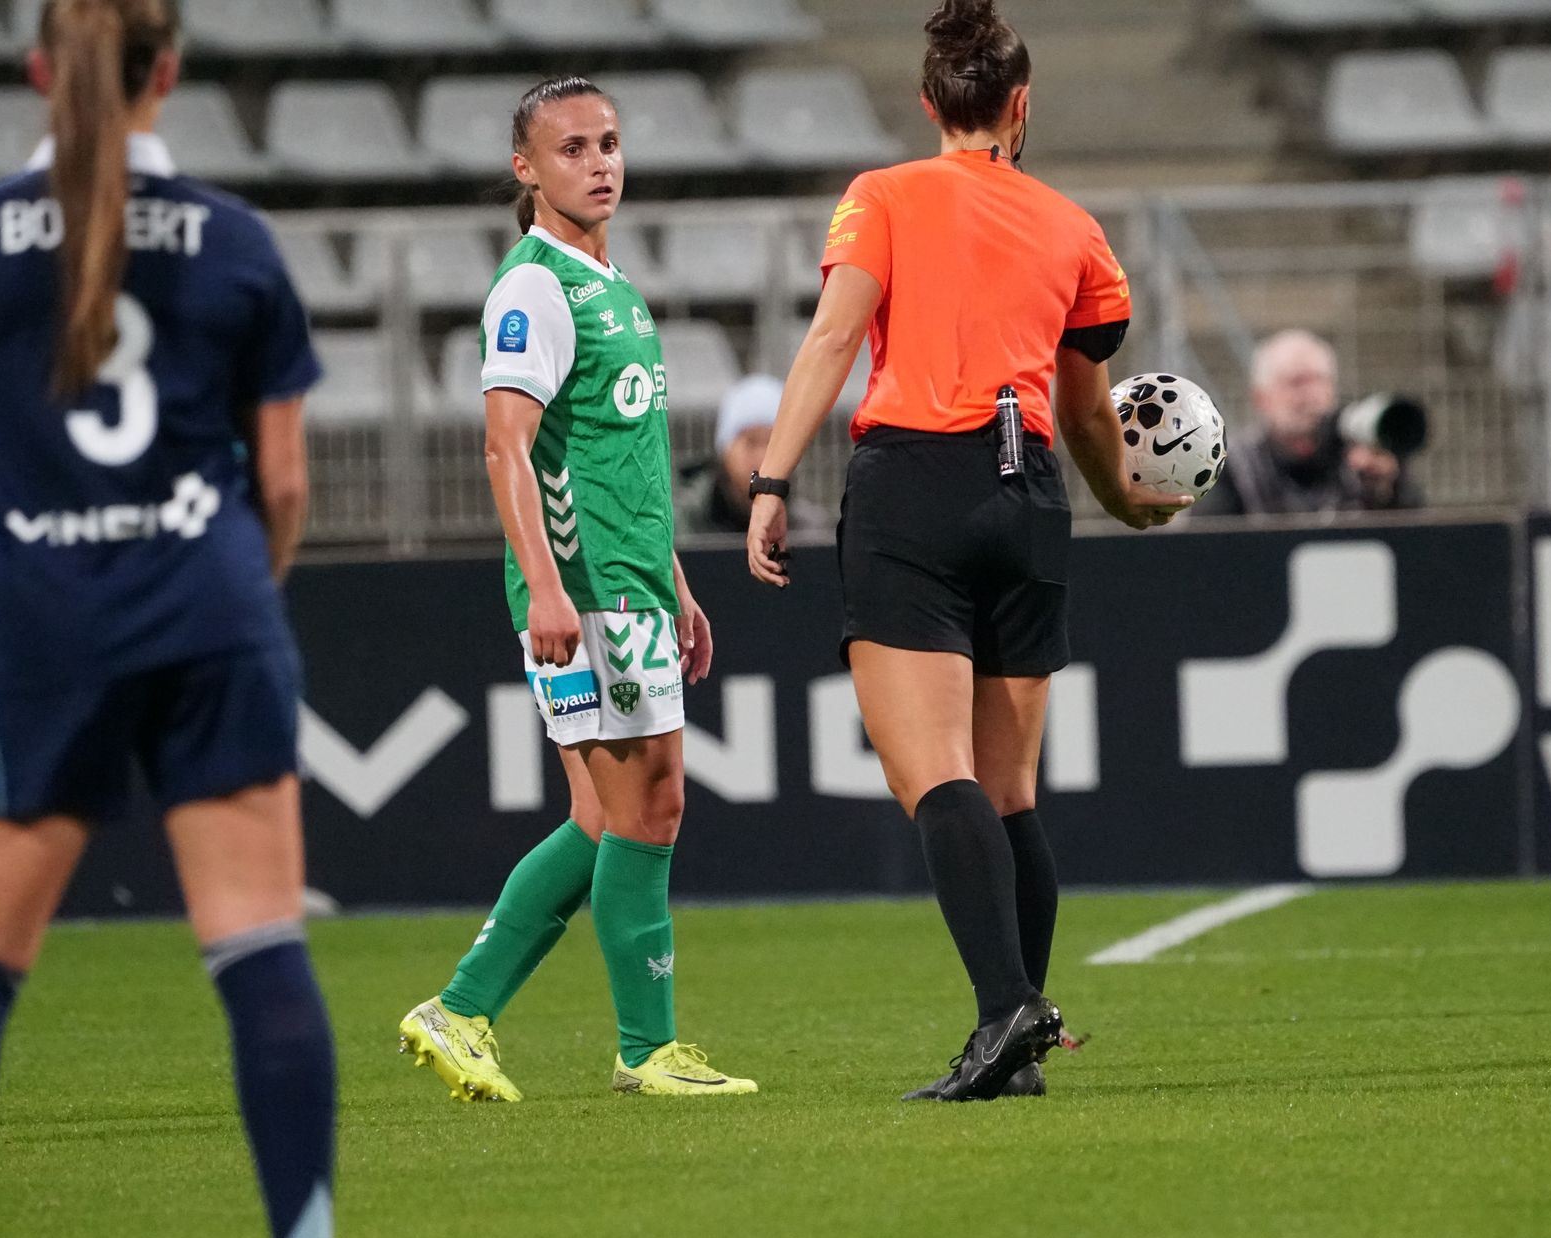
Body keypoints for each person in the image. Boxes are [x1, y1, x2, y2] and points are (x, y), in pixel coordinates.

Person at [0, 1, 351, 1238]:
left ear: (39, 71)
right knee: (259, 947)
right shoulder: (237, 240)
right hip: (213, 616)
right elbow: (286, 481)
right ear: (169, 73)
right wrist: (240, 601)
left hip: (43, 631)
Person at [744, 0, 1188, 1102]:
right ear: (1019, 105)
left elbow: (833, 338)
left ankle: (1006, 1013)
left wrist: (770, 479)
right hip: (1028, 494)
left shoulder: (882, 196)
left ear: (927, 102)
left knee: (932, 775)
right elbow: (1087, 411)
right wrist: (1129, 503)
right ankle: (1015, 1049)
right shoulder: (1073, 228)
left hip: (915, 485)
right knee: (1010, 789)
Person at [396, 76, 756, 1103]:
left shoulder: (612, 284)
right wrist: (548, 590)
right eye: (571, 149)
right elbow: (504, 448)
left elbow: (620, 457)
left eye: (608, 143)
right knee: (653, 803)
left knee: (603, 819)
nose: (598, 164)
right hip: (585, 594)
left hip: (630, 583)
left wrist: (676, 581)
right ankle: (647, 1048)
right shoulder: (534, 289)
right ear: (525, 168)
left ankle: (460, 1009)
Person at [1193, 329, 1425, 517]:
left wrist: (1387, 489)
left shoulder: (1363, 452)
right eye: (1297, 382)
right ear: (1262, 398)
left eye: (1320, 380)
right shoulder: (1232, 464)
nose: (1311, 395)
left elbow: (1417, 534)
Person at [674, 374, 832, 537]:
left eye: (772, 444)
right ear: (726, 449)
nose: (761, 456)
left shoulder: (811, 532)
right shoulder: (680, 527)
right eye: (751, 442)